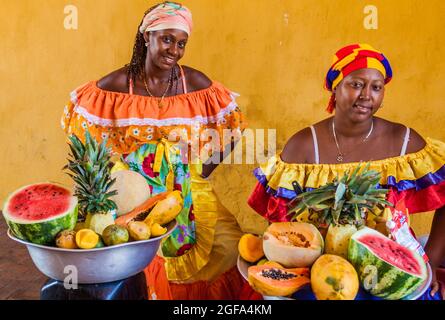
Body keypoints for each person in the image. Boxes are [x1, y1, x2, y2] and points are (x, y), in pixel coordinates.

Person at [62, 1, 246, 299]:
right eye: (167, 39)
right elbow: (82, 132)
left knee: (227, 247)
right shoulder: (119, 85)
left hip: (186, 188)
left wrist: (201, 171)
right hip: (133, 193)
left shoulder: (194, 83)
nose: (174, 50)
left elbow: (232, 126)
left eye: (182, 43)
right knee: (140, 258)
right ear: (147, 36)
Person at [248, 43, 445, 299]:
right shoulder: (304, 146)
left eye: (376, 87)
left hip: (390, 270)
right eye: (356, 84)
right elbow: (278, 224)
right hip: (324, 272)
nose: (366, 95)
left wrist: (430, 262)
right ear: (335, 87)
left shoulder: (404, 140)